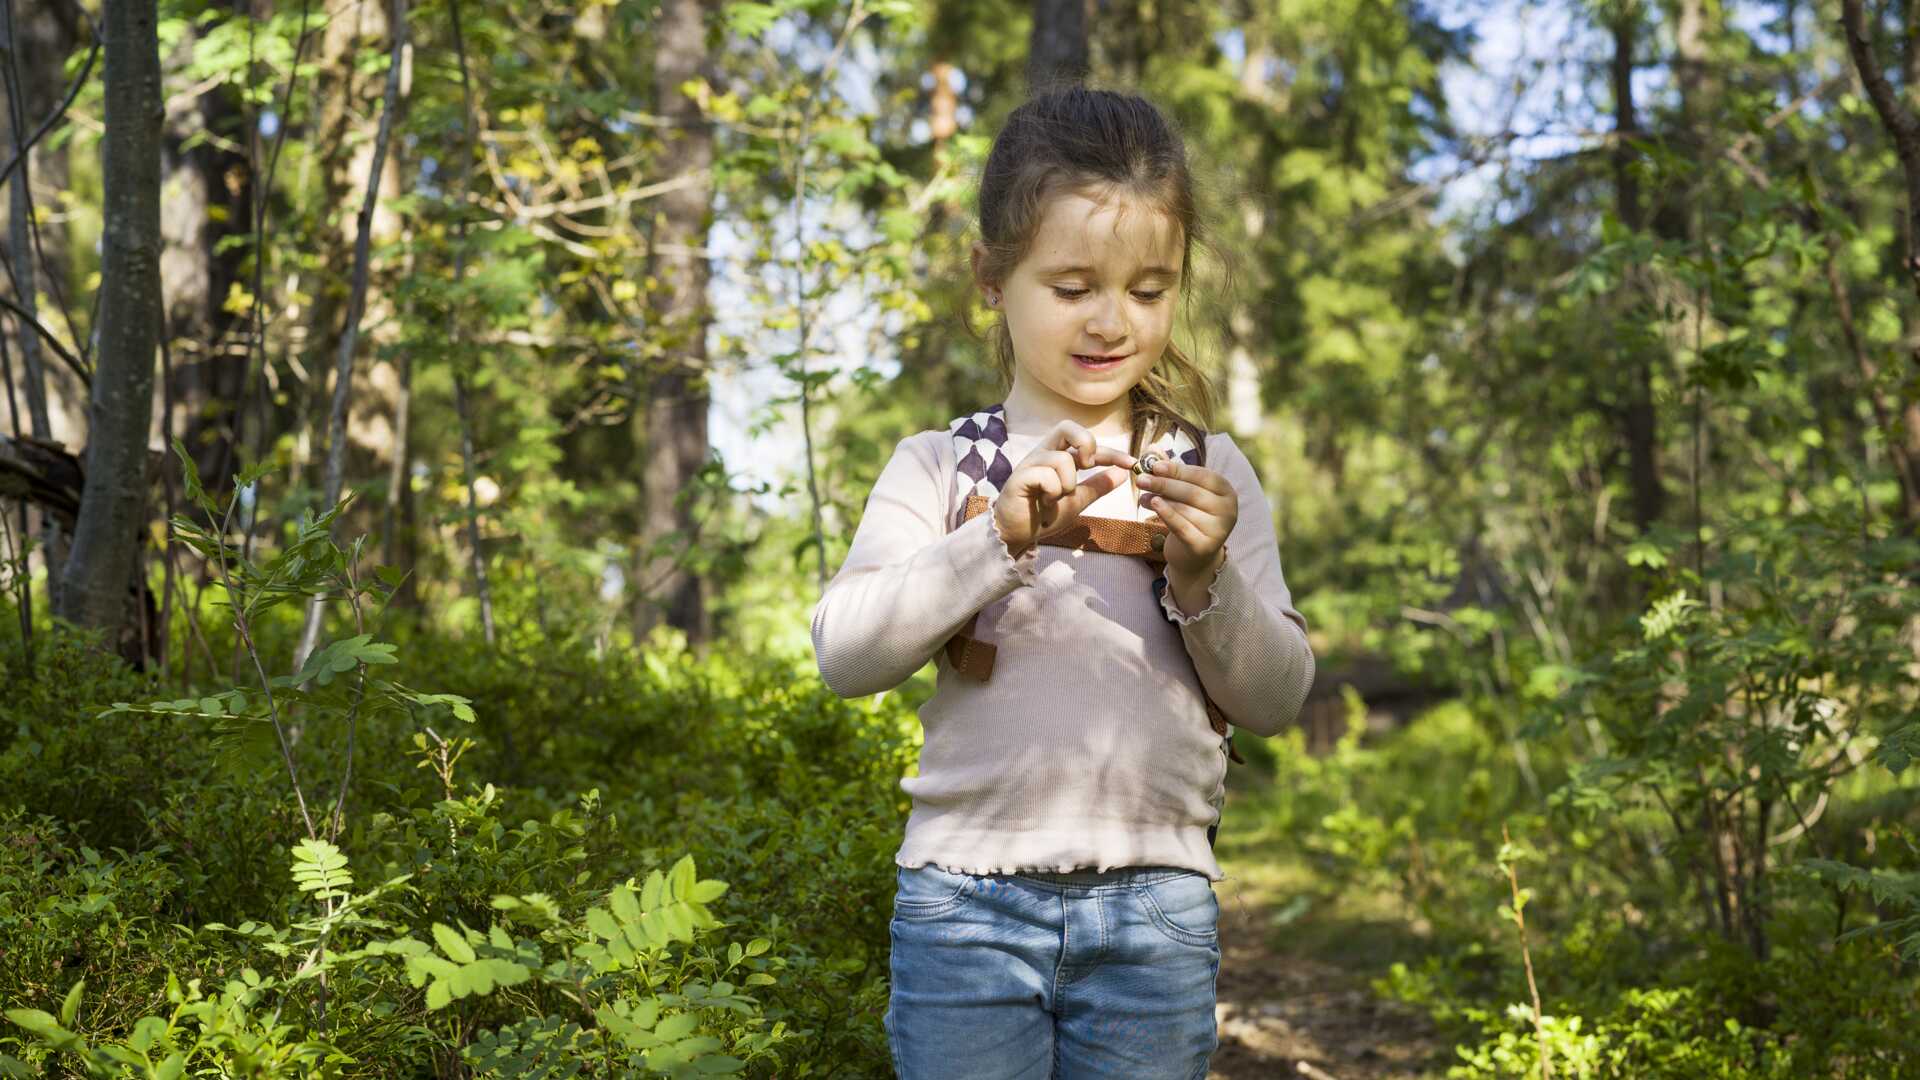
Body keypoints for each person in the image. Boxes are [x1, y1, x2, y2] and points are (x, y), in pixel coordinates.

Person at [810, 85, 1316, 1079]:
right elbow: (845, 654)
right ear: (992, 278)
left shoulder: (1211, 474)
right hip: (964, 905)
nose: (1113, 321)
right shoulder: (940, 466)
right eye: (1073, 285)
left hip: (1156, 910)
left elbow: (1278, 697)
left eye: (1149, 287)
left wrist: (1206, 573)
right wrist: (991, 539)